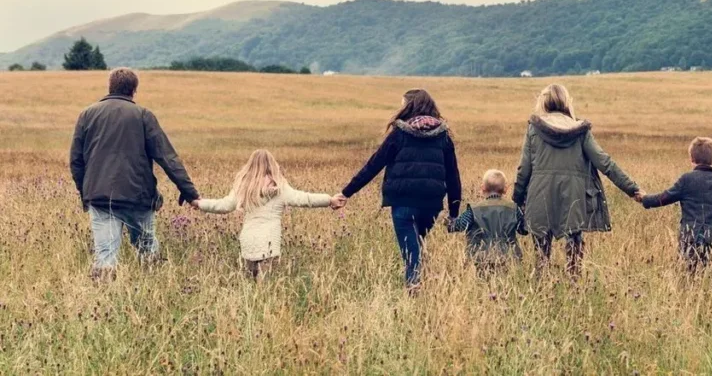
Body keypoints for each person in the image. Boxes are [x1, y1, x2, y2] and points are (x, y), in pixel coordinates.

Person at [70, 67, 199, 280]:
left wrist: (86, 193)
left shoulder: (87, 114)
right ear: (134, 90)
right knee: (147, 250)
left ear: (109, 87)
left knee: (105, 255)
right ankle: (151, 295)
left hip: (100, 199)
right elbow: (167, 157)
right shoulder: (143, 116)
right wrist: (190, 192)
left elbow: (76, 161)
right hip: (138, 198)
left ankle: (103, 301)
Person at [336, 89, 462, 289]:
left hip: (402, 200)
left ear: (409, 107)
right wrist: (454, 213)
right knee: (416, 243)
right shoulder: (443, 136)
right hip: (431, 203)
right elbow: (453, 176)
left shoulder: (399, 134)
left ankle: (414, 288)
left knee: (411, 251)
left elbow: (373, 165)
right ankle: (423, 282)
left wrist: (346, 192)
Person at [513, 84, 642, 277]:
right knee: (574, 249)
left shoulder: (534, 129)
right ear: (566, 101)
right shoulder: (580, 130)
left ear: (543, 102)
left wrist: (517, 197)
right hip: (574, 196)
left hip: (539, 195)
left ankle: (541, 292)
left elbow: (524, 169)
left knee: (541, 255)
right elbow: (604, 162)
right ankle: (574, 287)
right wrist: (632, 189)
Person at [190, 149, 344, 281]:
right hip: (269, 243)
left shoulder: (243, 187)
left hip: (248, 240)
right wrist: (329, 200)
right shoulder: (280, 188)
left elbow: (223, 205)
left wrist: (199, 203)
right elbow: (305, 199)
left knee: (249, 284)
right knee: (264, 288)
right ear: (272, 165)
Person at [639, 137, 712, 273]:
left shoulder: (687, 179)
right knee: (708, 273)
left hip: (690, 236)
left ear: (692, 158)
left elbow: (665, 197)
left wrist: (645, 199)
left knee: (687, 272)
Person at [448, 169, 526, 276]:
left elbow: (458, 226)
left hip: (480, 257)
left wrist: (449, 221)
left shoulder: (474, 209)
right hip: (509, 258)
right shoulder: (514, 209)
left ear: (483, 188)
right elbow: (523, 229)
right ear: (505, 190)